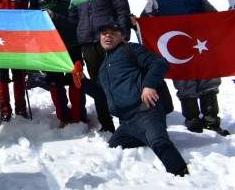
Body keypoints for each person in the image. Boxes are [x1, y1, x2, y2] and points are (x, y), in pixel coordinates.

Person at [77, 23, 188, 176]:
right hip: (126, 124)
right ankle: (145, 137)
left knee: (160, 143)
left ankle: (182, 176)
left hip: (146, 112)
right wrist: (82, 82)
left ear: (122, 37)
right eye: (104, 33)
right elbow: (102, 94)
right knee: (114, 147)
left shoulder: (131, 50)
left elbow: (159, 63)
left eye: (113, 32)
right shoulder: (103, 68)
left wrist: (149, 85)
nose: (107, 35)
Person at [140, 0, 228, 135]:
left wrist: (228, 16)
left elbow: (214, 16)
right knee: (185, 83)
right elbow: (146, 22)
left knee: (208, 81)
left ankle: (211, 119)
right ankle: (192, 119)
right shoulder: (156, 0)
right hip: (177, 52)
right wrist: (137, 22)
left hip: (202, 49)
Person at [59, 0, 131, 133]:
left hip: (110, 42)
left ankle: (128, 122)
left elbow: (122, 12)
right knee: (98, 85)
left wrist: (124, 35)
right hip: (88, 45)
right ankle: (106, 125)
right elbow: (72, 21)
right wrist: (54, 18)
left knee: (117, 82)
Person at [30, 0, 86, 127]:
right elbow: (32, 22)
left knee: (75, 78)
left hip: (72, 42)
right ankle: (63, 116)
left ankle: (78, 115)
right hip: (48, 47)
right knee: (54, 82)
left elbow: (79, 16)